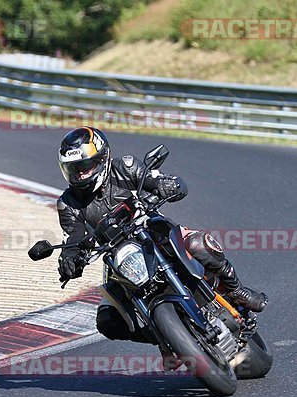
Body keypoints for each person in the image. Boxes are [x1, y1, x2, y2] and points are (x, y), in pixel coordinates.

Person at [55, 126, 267, 344]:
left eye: (84, 166)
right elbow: (72, 238)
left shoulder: (125, 167)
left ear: (102, 159)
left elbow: (156, 180)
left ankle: (237, 291)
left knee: (197, 244)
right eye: (73, 169)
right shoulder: (68, 204)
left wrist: (167, 185)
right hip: (117, 258)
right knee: (108, 321)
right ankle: (169, 340)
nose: (79, 174)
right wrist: (69, 260)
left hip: (152, 232)